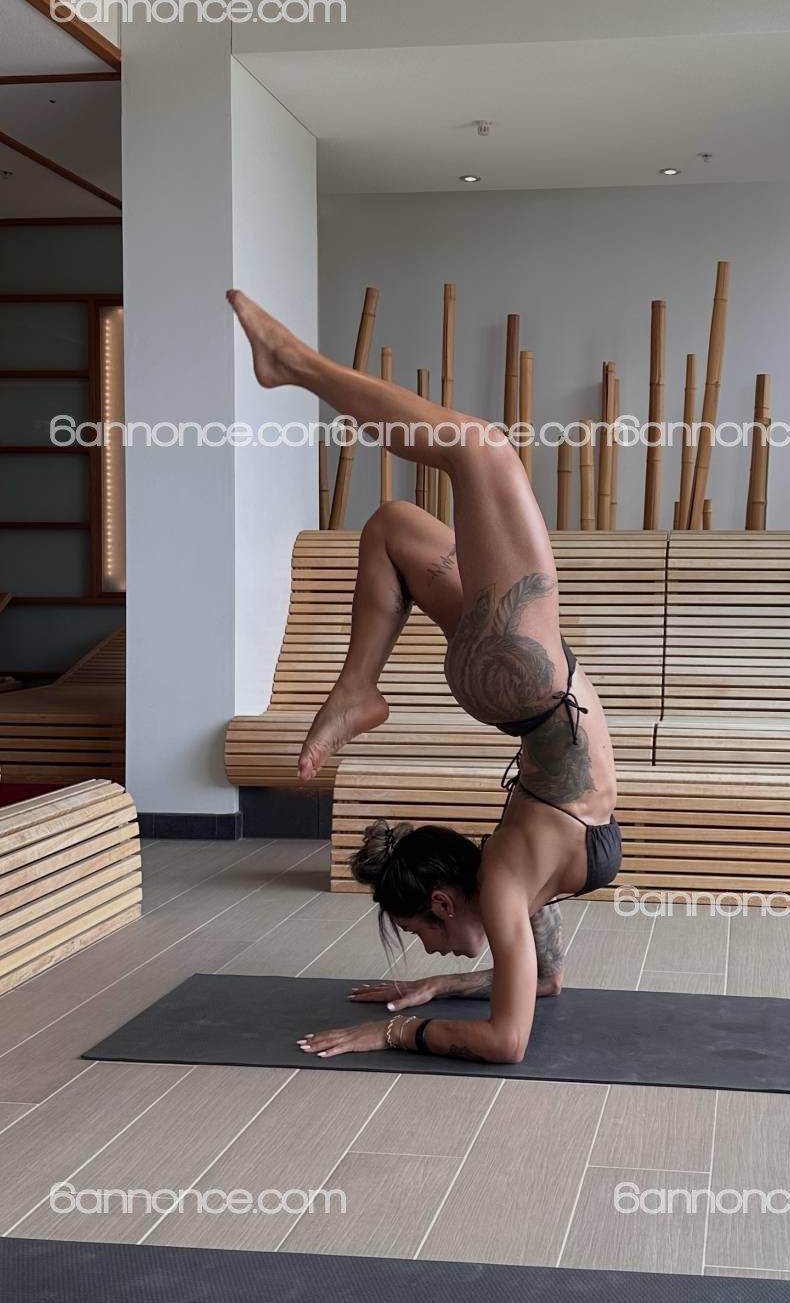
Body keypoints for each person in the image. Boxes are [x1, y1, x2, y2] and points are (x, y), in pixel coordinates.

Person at [228, 289, 621, 1065]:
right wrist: (432, 999)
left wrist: (407, 1017)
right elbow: (532, 999)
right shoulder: (508, 884)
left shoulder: (507, 879)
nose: (432, 950)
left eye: (421, 934)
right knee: (453, 471)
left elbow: (513, 1021)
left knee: (422, 498)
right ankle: (356, 689)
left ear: (443, 900)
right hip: (526, 682)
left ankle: (294, 363)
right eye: (427, 948)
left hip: (524, 679)